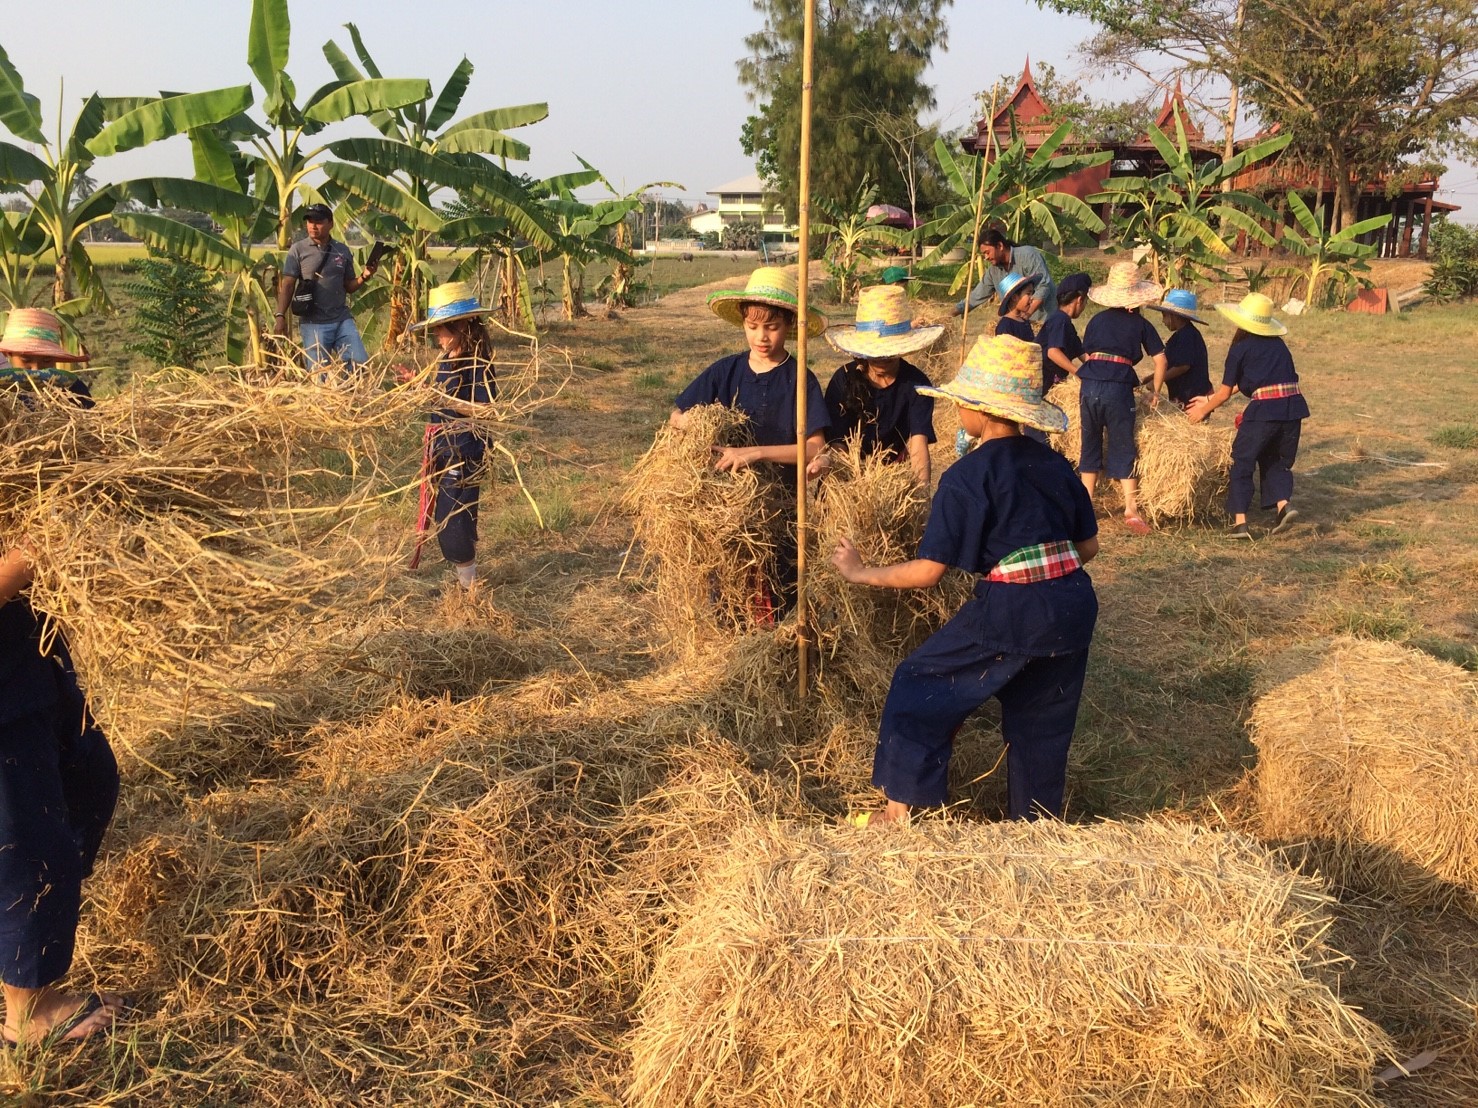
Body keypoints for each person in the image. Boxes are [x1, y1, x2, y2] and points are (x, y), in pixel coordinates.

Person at [831, 334, 1098, 824]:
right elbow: (1088, 548)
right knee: (1041, 725)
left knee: (920, 682)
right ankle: (1035, 825)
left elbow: (929, 573)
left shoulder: (967, 477)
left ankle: (898, 811)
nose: (958, 414)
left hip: (1014, 607)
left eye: (961, 404)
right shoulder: (1056, 465)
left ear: (978, 411)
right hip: (1074, 604)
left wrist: (860, 572)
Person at [0, 309, 123, 1046]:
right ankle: (25, 1014)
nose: (36, 381)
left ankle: (25, 941)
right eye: (22, 364)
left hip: (38, 661)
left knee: (91, 782)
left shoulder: (38, 449)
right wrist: (37, 554)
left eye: (48, 367)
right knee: (27, 839)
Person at [671, 266, 829, 613]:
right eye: (753, 326)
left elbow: (815, 447)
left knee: (782, 589)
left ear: (789, 325)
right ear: (742, 322)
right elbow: (677, 416)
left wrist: (754, 453)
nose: (761, 337)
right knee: (730, 587)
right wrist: (697, 425)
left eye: (771, 327)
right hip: (728, 509)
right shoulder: (725, 371)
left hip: (783, 507)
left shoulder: (801, 379)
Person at [1187, 293, 1309, 539]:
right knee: (1277, 459)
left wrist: (1202, 409)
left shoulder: (1240, 349)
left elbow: (1224, 391)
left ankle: (1240, 522)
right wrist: (1211, 401)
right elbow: (1248, 383)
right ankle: (1284, 506)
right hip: (1293, 408)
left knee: (1241, 460)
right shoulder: (1278, 346)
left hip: (1264, 410)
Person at [410, 282, 498, 590]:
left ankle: (470, 590)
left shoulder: (478, 363)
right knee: (446, 518)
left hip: (465, 451)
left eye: (440, 330)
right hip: (444, 450)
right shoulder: (446, 360)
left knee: (454, 522)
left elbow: (486, 410)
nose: (436, 336)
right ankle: (466, 584)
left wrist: (441, 398)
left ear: (460, 326)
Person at [1077, 262, 1167, 535]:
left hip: (1090, 385)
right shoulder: (1141, 324)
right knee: (1122, 444)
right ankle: (1131, 509)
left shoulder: (1095, 320)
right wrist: (1156, 391)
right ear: (1137, 297)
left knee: (1089, 442)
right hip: (1118, 388)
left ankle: (1085, 506)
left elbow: (1086, 354)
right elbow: (1161, 360)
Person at [820, 284, 942, 488]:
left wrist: (922, 490)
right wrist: (855, 483)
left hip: (893, 477)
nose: (882, 358)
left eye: (889, 352)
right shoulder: (843, 380)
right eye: (876, 353)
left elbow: (918, 444)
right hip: (846, 477)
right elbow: (837, 443)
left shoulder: (916, 385)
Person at [274, 203, 381, 374]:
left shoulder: (342, 250)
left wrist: (365, 276)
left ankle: (349, 398)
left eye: (318, 221)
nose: (313, 226)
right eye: (309, 221)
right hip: (313, 324)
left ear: (330, 224)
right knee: (319, 375)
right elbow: (288, 284)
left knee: (359, 365)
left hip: (341, 319)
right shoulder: (298, 250)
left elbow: (349, 286)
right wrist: (280, 316)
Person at [951, 228, 1057, 324]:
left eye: (987, 252)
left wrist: (1027, 314)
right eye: (984, 254)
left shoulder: (1028, 256)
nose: (986, 257)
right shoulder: (994, 271)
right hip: (1020, 323)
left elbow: (1043, 286)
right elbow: (977, 295)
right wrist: (952, 313)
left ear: (1000, 246)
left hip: (1044, 321)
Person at [1146, 289, 1212, 409]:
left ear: (1174, 316)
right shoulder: (1180, 336)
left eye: (1165, 316)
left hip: (1193, 398)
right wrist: (1151, 377)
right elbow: (1170, 365)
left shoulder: (1187, 336)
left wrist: (1157, 382)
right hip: (1182, 396)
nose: (1163, 321)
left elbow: (1182, 366)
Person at [1038, 271, 1090, 395]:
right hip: (1042, 383)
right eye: (1086, 301)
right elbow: (1053, 352)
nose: (1085, 306)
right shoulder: (1059, 320)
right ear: (1079, 299)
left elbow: (1083, 355)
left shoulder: (1067, 325)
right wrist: (1078, 373)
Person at [993, 272, 1039, 343]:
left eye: (1032, 293)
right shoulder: (1005, 326)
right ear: (1014, 297)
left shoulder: (1024, 321)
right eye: (1028, 293)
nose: (1032, 298)